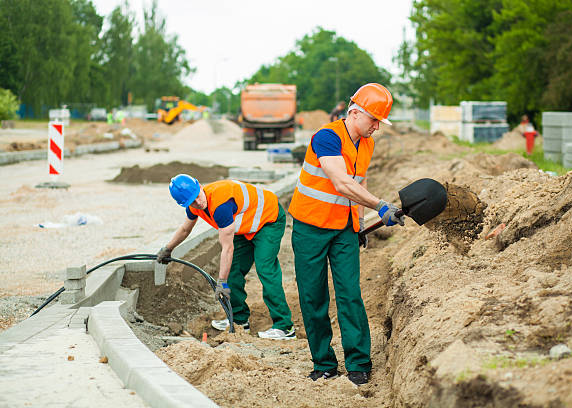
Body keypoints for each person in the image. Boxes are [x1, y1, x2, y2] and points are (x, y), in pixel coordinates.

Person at [288, 83, 405, 385]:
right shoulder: (327, 137)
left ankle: (358, 363)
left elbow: (358, 186)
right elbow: (341, 183)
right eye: (374, 120)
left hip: (343, 229)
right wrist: (380, 207)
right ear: (354, 113)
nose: (377, 127)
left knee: (350, 294)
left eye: (380, 121)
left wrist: (360, 224)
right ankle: (324, 363)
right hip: (311, 228)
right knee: (313, 297)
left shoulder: (366, 143)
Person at [157, 175, 295, 340]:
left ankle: (285, 327)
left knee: (265, 268)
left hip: (268, 220)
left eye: (197, 197)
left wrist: (221, 282)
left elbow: (227, 248)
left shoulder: (221, 204)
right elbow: (185, 229)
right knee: (233, 270)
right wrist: (168, 249)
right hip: (245, 226)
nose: (198, 203)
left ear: (200, 186)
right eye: (192, 202)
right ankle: (238, 319)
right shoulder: (194, 205)